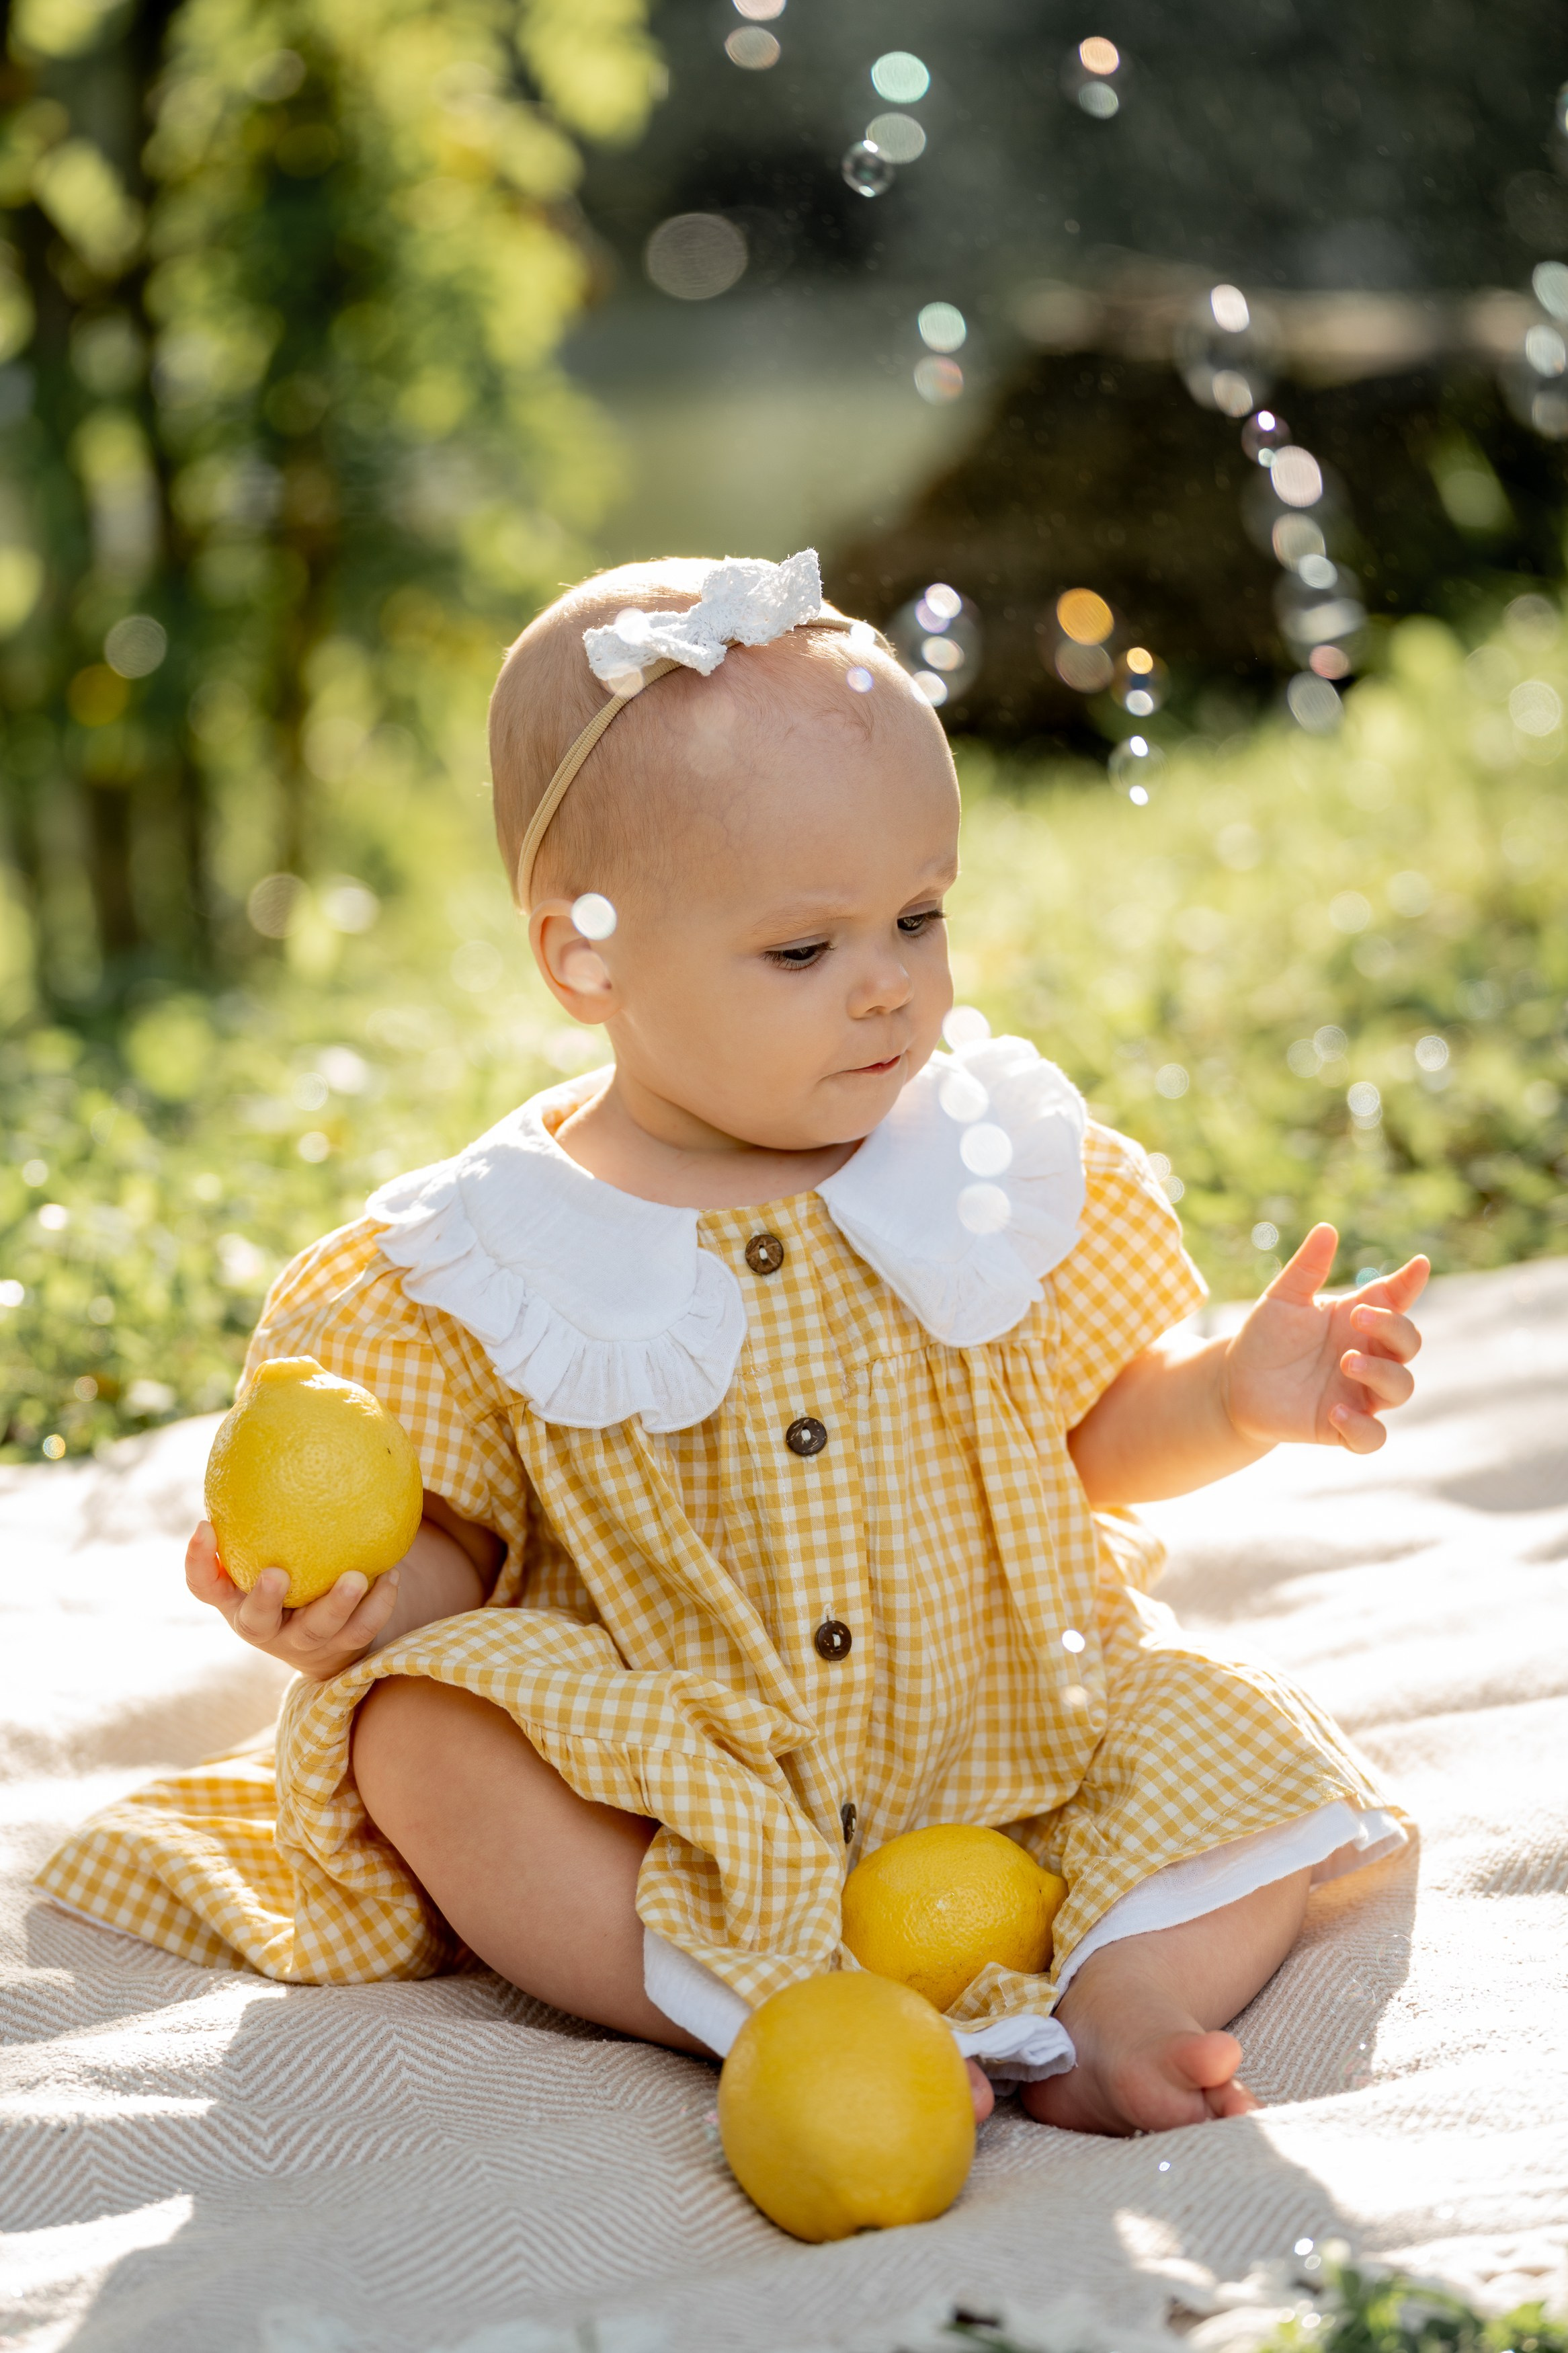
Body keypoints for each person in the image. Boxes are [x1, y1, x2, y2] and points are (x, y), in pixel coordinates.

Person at [38, 551, 1426, 2137]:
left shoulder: (977, 1170)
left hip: (1015, 1736)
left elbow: (1097, 1436)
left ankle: (1126, 2000)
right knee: (417, 1729)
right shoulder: (487, 1262)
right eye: (803, 950)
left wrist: (1240, 1393)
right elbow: (462, 1561)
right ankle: (748, 1998)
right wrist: (351, 1600)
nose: (888, 985)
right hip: (677, 1785)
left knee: (1232, 1728)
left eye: (918, 915)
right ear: (587, 959)